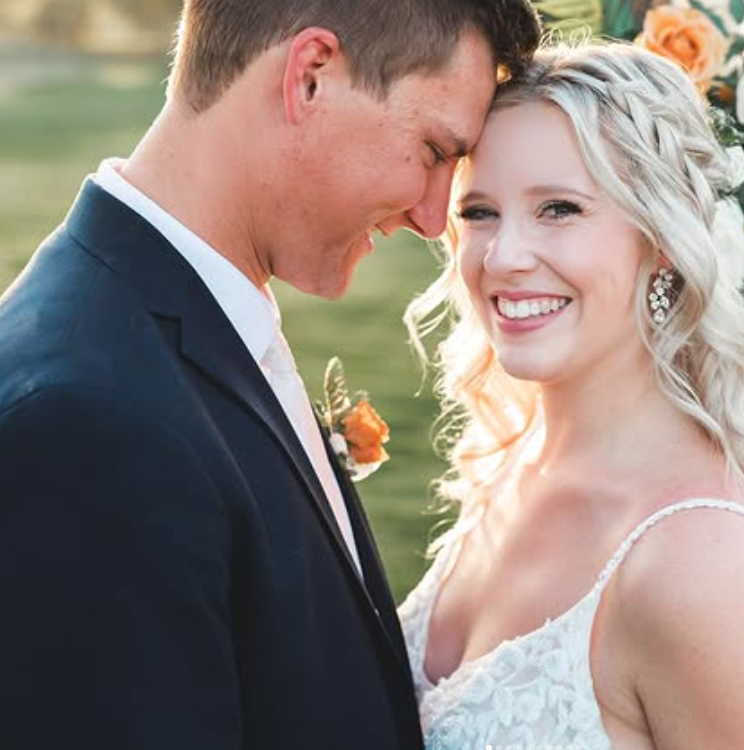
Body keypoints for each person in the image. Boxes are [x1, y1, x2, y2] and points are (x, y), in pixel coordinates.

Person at [0, 1, 540, 748]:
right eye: (431, 149)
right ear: (309, 76)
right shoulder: (87, 419)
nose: (431, 215)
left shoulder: (183, 329)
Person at [399, 43, 744, 749]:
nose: (503, 256)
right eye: (479, 212)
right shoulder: (508, 468)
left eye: (557, 208)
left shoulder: (704, 565)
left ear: (661, 240)